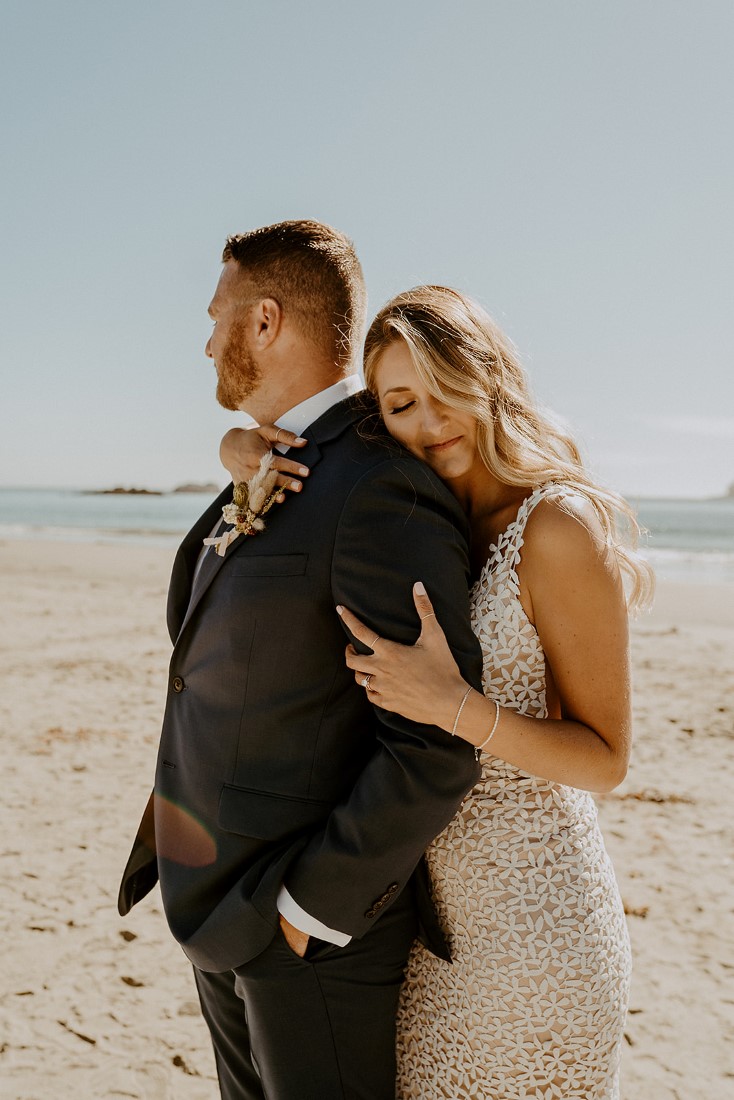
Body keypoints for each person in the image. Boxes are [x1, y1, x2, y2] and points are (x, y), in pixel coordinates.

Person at [222, 285, 654, 1099]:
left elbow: (605, 760)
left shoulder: (556, 524)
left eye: (444, 386)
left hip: (536, 929)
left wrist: (452, 707)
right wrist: (238, 447)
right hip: (435, 933)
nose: (429, 421)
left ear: (487, 376)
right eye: (399, 403)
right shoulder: (434, 515)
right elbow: (318, 444)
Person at [118, 227, 487, 1100]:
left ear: (266, 322)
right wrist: (234, 460)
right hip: (215, 903)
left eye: (218, 318)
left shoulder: (376, 488)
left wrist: (303, 915)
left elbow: (434, 743)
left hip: (301, 934)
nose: (207, 340)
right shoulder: (276, 460)